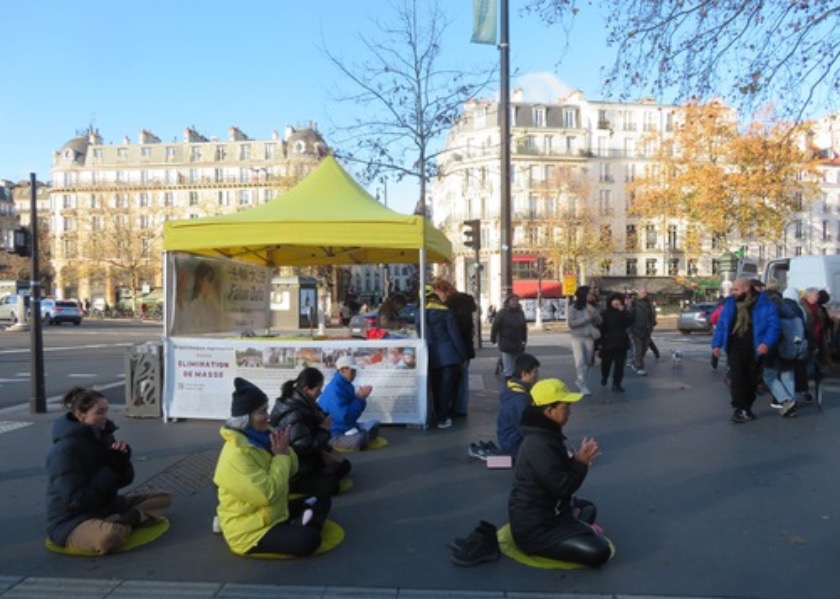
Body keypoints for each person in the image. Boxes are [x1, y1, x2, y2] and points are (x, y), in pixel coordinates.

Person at [45, 387, 172, 555]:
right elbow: (78, 501)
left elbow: (124, 481)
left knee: (162, 498)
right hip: (73, 519)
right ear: (80, 414)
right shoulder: (64, 451)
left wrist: (122, 462)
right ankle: (123, 522)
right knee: (108, 537)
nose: (105, 417)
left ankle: (120, 521)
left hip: (106, 507)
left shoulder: (104, 436)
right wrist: (110, 469)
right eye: (99, 412)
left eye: (106, 411)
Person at [214, 377, 331, 557]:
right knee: (309, 540)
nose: (268, 416)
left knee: (322, 498)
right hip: (250, 531)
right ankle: (303, 527)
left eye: (266, 409)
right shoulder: (236, 454)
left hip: (273, 513)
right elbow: (267, 495)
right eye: (262, 412)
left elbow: (292, 470)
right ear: (245, 418)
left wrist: (283, 450)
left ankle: (299, 524)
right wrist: (281, 456)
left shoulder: (260, 438)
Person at [508, 378, 611, 567]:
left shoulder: (546, 435)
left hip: (551, 512)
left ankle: (576, 528)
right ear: (549, 410)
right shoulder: (539, 444)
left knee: (589, 508)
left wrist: (575, 459)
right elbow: (563, 487)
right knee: (599, 551)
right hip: (535, 530)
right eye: (566, 407)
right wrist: (581, 463)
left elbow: (556, 473)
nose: (570, 412)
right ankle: (575, 530)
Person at [270, 367, 351, 496]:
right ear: (307, 389)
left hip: (306, 455)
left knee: (344, 466)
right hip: (296, 464)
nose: (321, 393)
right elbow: (302, 447)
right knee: (331, 485)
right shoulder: (294, 411)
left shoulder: (304, 401)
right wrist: (323, 430)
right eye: (319, 389)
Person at [712, 277, 780, 423]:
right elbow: (722, 325)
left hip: (755, 348)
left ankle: (747, 407)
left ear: (747, 288)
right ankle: (740, 408)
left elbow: (773, 326)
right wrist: (716, 344)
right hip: (734, 346)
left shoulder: (765, 305)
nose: (733, 292)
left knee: (751, 379)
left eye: (736, 289)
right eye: (732, 289)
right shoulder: (730, 304)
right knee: (736, 377)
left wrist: (766, 343)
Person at [421, 284, 468, 429]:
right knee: (446, 388)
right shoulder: (445, 312)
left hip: (430, 356)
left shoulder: (420, 313)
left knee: (434, 387)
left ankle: (434, 416)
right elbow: (454, 335)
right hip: (449, 356)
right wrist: (462, 355)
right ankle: (443, 417)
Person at [317, 356, 380, 451]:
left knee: (375, 424)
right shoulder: (335, 389)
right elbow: (344, 417)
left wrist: (360, 397)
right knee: (361, 438)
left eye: (355, 371)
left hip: (347, 427)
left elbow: (350, 412)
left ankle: (360, 434)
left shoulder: (345, 385)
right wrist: (360, 398)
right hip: (335, 432)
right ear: (342, 370)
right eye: (352, 371)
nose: (355, 374)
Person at [437, 278, 477, 417]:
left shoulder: (451, 309)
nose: (439, 298)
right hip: (465, 346)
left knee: (458, 378)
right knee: (462, 378)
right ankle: (460, 407)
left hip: (458, 347)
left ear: (445, 292)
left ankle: (458, 407)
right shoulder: (464, 306)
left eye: (439, 294)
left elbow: (457, 331)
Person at [762, 282, 803, 417]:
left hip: (775, 348)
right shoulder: (791, 312)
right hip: (792, 347)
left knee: (769, 375)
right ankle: (791, 402)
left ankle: (786, 400)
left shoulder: (771, 312)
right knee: (787, 375)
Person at [496, 353, 540, 458]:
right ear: (524, 374)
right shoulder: (521, 398)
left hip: (508, 441)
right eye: (535, 372)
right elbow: (526, 427)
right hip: (514, 445)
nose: (537, 376)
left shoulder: (512, 389)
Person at [566, 286, 602, 395]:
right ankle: (582, 383)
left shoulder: (591, 307)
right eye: (589, 294)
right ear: (583, 295)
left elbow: (600, 321)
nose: (591, 296)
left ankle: (580, 381)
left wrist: (594, 313)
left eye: (591, 294)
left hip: (590, 337)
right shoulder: (573, 308)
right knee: (580, 361)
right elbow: (571, 323)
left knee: (588, 362)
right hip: (577, 337)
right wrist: (586, 319)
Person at [599, 293, 633, 392]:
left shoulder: (623, 312)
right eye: (614, 300)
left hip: (621, 343)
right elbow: (600, 329)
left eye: (618, 300)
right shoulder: (604, 313)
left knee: (619, 366)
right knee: (606, 365)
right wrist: (599, 344)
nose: (616, 302)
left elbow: (630, 321)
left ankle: (616, 384)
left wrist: (623, 311)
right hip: (607, 343)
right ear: (610, 301)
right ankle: (604, 377)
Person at [490, 294, 528, 380]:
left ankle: (502, 365)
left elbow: (524, 327)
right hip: (505, 341)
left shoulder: (520, 313)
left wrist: (524, 339)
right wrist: (493, 338)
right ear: (508, 302)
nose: (515, 302)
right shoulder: (502, 313)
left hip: (517, 342)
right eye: (513, 300)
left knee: (516, 363)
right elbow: (495, 326)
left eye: (516, 300)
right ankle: (508, 381)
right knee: (508, 366)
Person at [627, 288, 657, 376]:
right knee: (638, 349)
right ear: (638, 293)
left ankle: (637, 362)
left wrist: (652, 322)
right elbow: (629, 316)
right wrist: (630, 329)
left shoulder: (649, 303)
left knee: (645, 348)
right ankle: (639, 366)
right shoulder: (633, 303)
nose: (645, 294)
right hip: (636, 330)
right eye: (643, 293)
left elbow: (652, 314)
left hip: (647, 330)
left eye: (645, 293)